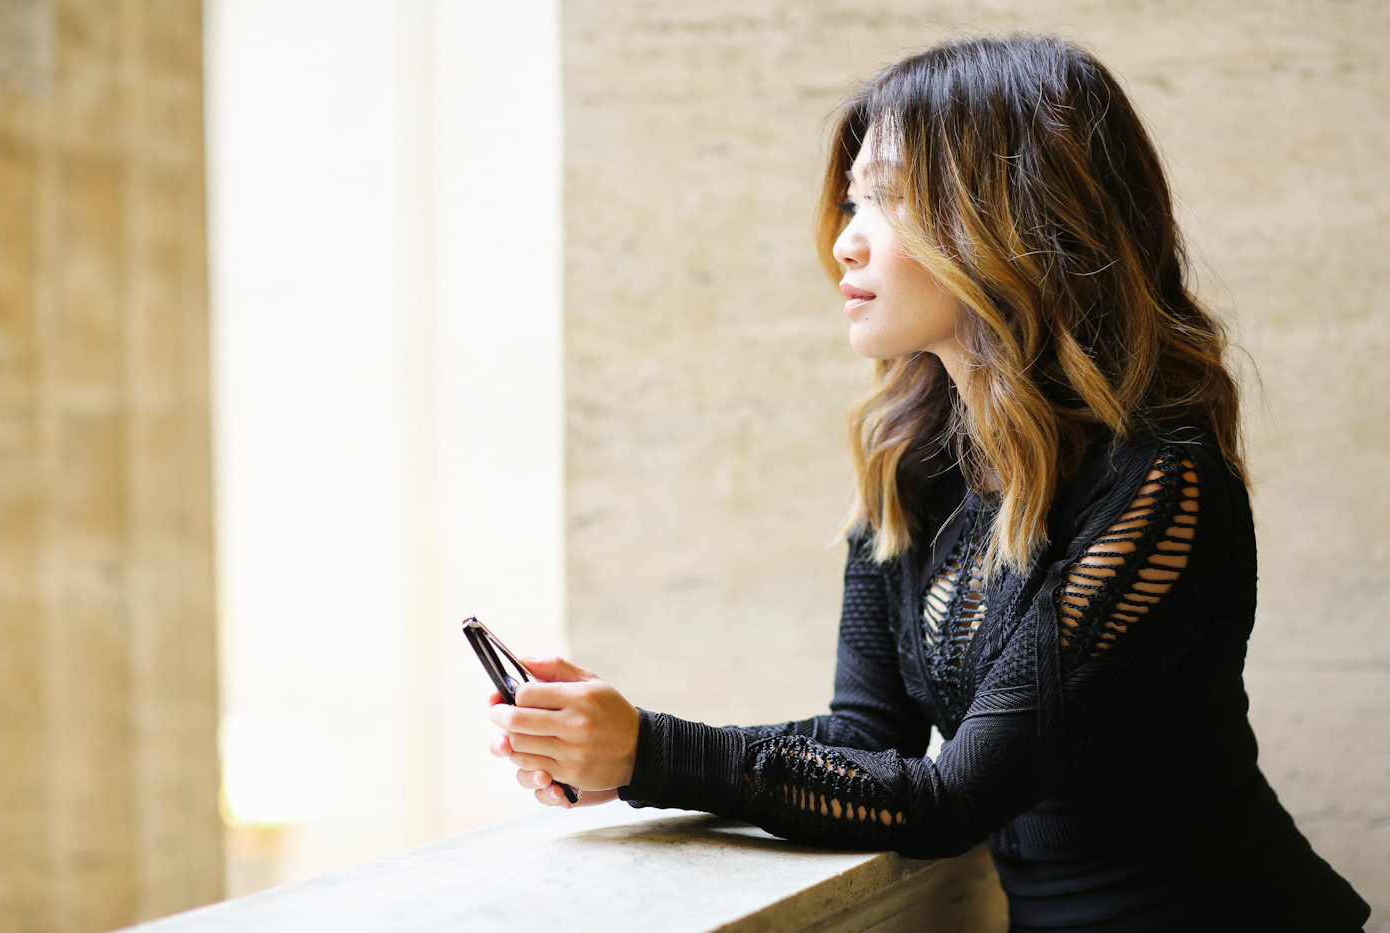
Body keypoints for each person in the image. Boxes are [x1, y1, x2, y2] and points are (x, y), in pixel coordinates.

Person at [487, 35, 1371, 932]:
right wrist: (623, 747)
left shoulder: (1161, 479)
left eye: (890, 198)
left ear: (1021, 218)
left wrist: (651, 751)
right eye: (850, 199)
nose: (843, 240)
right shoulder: (911, 460)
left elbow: (951, 799)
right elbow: (866, 742)